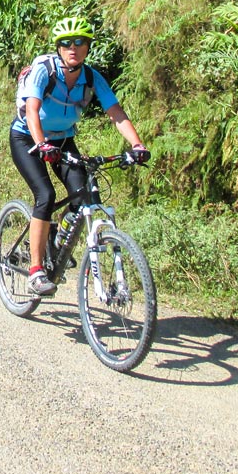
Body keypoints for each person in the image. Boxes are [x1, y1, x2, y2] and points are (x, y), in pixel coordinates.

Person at [11, 16, 149, 296]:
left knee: (83, 195)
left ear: (88, 47)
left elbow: (116, 113)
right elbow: (32, 110)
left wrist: (137, 145)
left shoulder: (91, 77)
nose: (73, 47)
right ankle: (36, 271)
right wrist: (42, 144)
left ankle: (58, 235)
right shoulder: (44, 72)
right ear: (59, 48)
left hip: (63, 140)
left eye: (80, 42)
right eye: (66, 43)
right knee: (45, 196)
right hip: (27, 138)